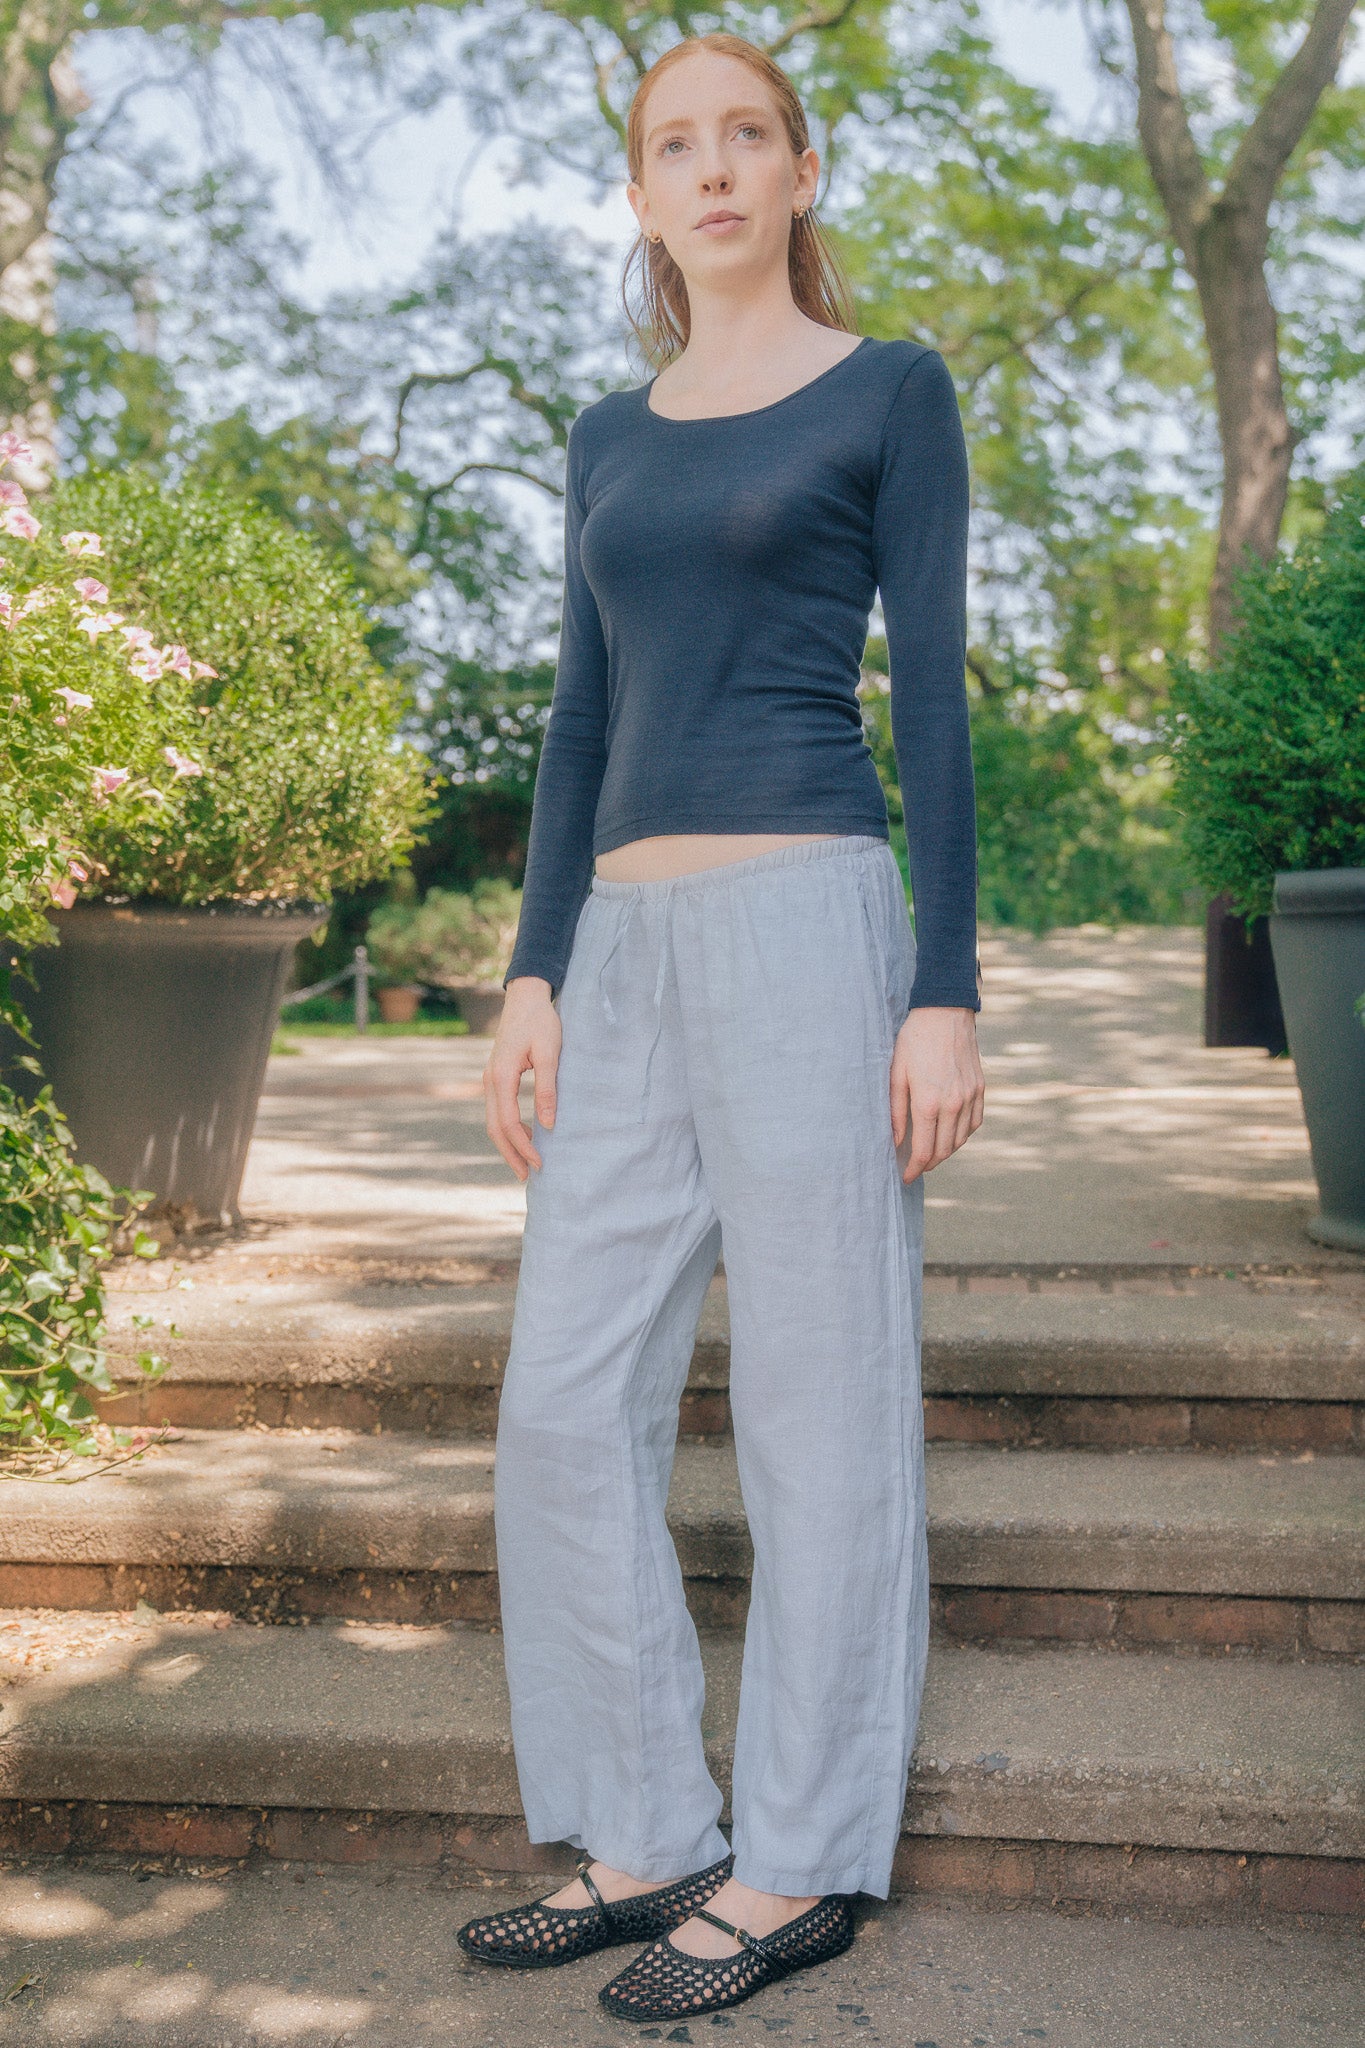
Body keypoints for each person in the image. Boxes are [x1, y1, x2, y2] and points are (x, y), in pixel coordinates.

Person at [458, 28, 984, 2027]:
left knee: (816, 1405)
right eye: (672, 143)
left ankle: (795, 1858)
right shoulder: (609, 434)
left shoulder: (885, 391)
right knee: (558, 1398)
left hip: (807, 923)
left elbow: (926, 697)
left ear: (798, 168)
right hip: (618, 945)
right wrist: (533, 967)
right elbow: (579, 711)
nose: (710, 168)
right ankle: (642, 1828)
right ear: (638, 191)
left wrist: (942, 989)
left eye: (743, 134)